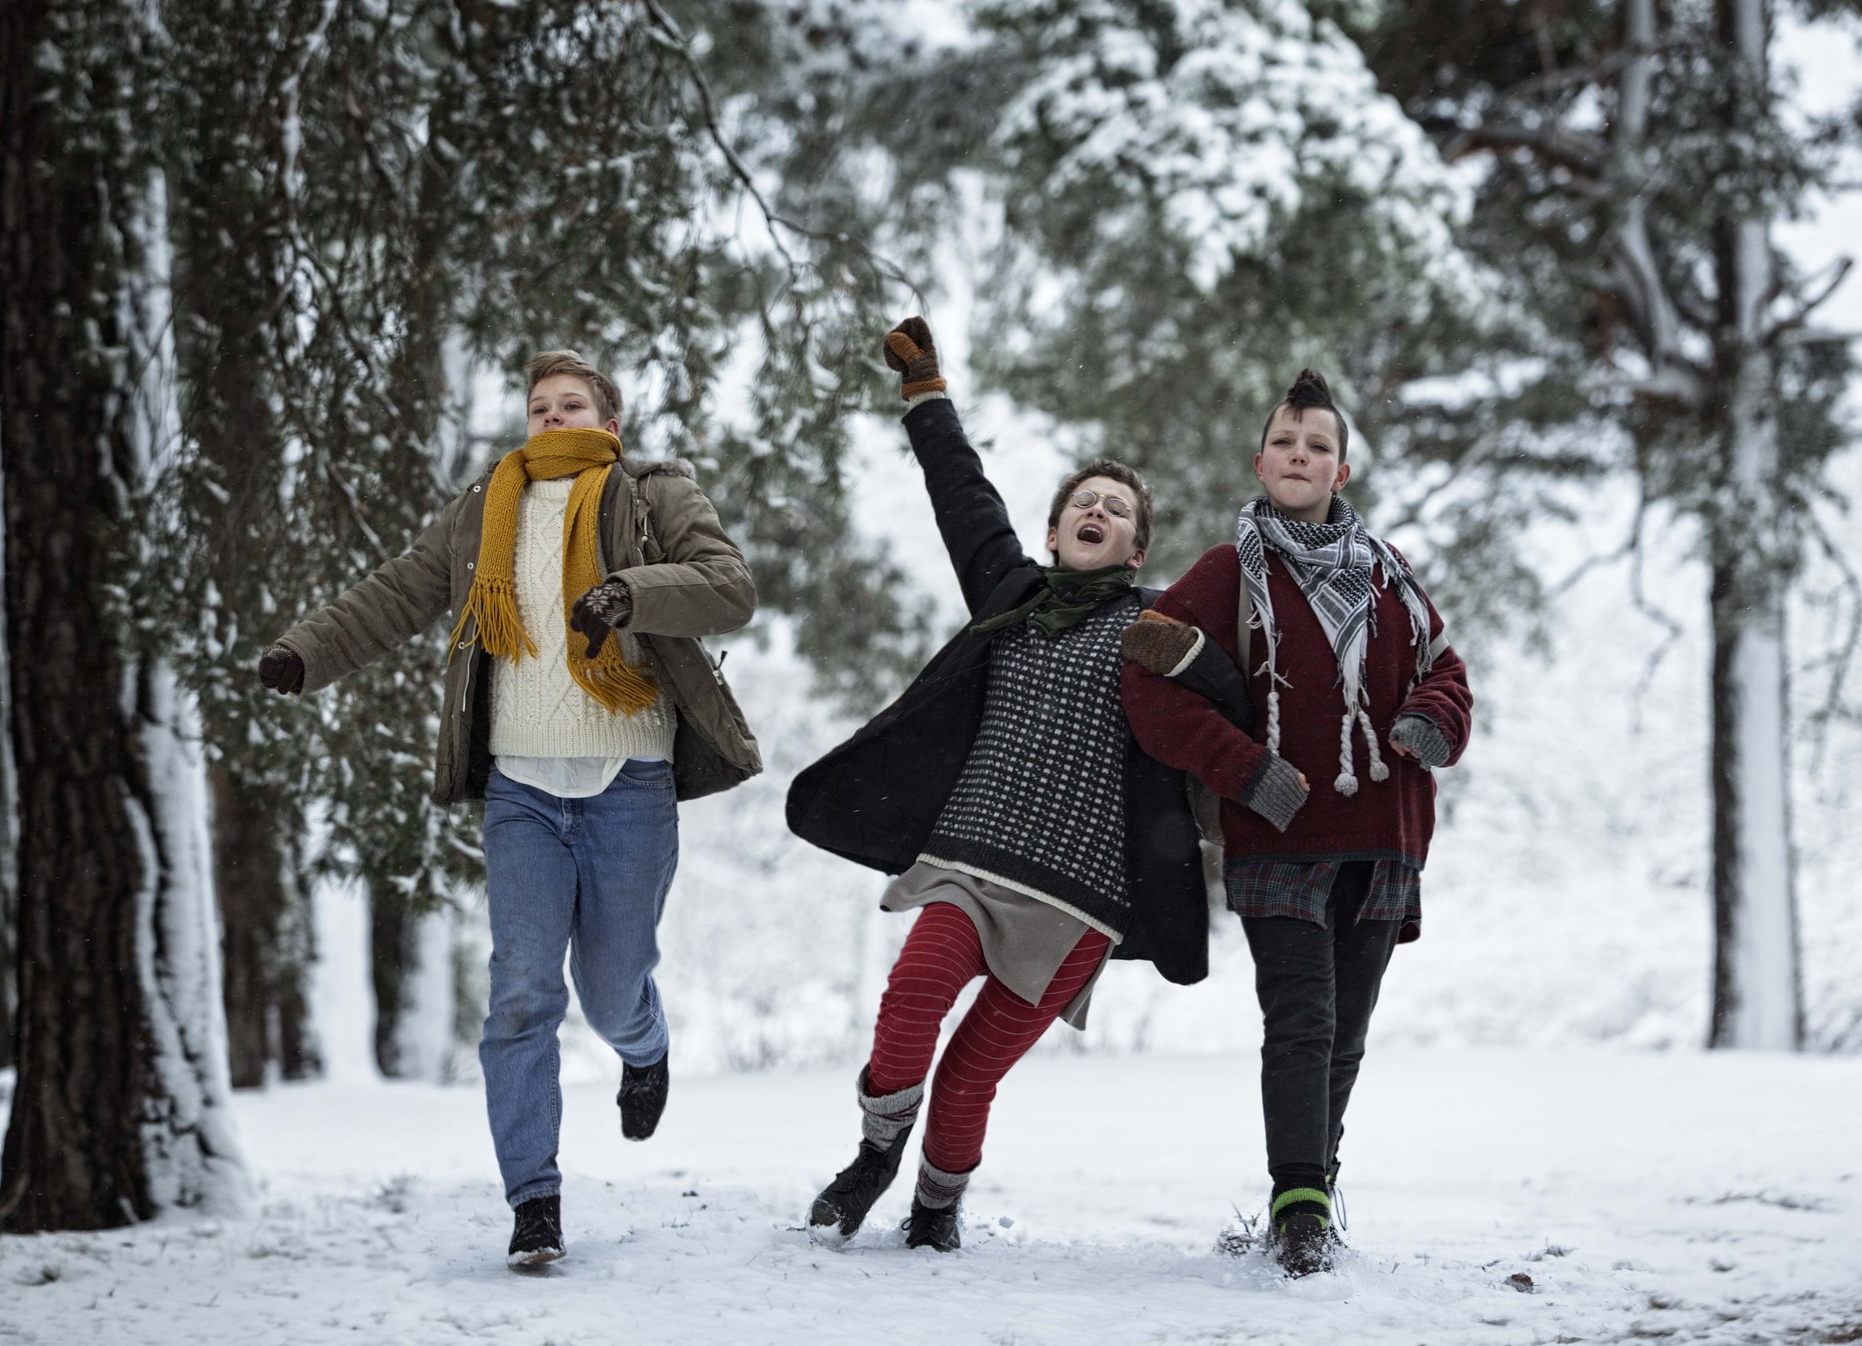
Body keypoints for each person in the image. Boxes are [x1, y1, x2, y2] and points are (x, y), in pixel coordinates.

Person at [258, 351, 761, 1268]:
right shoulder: (485, 509)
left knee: (612, 992)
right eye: (538, 406)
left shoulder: (651, 492)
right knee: (522, 995)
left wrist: (629, 592)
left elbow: (730, 586)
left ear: (609, 421)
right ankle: (534, 1201)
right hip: (521, 790)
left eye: (572, 403)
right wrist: (306, 652)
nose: (551, 417)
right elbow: (398, 590)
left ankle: (642, 1044)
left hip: (628, 782)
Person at [787, 317, 1250, 1251]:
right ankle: (877, 1151)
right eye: (1088, 500)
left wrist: (1191, 652)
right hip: (972, 855)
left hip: (1082, 897)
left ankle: (936, 1208)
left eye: (1120, 510)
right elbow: (959, 492)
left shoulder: (1156, 624)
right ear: (1055, 529)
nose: (1101, 511)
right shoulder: (1011, 592)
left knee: (969, 1077)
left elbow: (1233, 694)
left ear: (1135, 551)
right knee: (913, 991)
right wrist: (926, 390)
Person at [1119, 369, 1472, 1275]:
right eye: (1286, 442)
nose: (1300, 456)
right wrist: (1245, 769)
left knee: (1347, 1029)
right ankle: (1299, 1203)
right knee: (1303, 1020)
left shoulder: (1389, 573)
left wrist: (1431, 719)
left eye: (1318, 446)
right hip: (1279, 835)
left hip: (1385, 830)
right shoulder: (1228, 570)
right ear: (1261, 459)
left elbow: (1449, 669)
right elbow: (1146, 680)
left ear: (1341, 472)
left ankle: (1314, 1181)